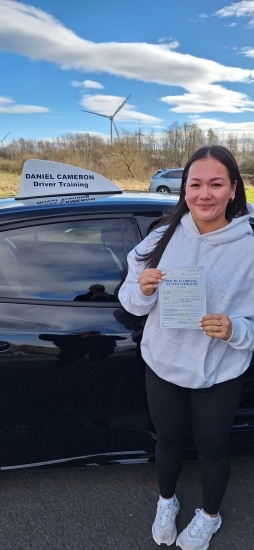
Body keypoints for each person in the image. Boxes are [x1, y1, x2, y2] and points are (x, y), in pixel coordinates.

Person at [118, 145, 254, 550]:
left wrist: (235, 330)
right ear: (184, 189)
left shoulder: (249, 245)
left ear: (233, 189)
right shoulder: (161, 236)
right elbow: (129, 298)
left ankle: (209, 516)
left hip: (221, 370)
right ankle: (166, 500)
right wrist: (141, 291)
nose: (204, 194)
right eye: (195, 184)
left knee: (213, 449)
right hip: (163, 364)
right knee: (168, 441)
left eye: (216, 184)